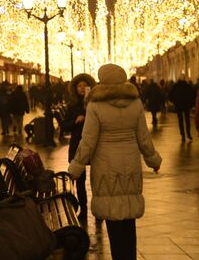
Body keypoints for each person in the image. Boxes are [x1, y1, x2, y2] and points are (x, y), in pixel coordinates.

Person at [68, 64, 161, 260]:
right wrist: (153, 160)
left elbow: (88, 141)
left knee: (113, 216)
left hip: (105, 167)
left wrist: (76, 166)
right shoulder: (135, 103)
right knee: (128, 216)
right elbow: (143, 137)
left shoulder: (95, 105)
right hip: (130, 165)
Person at [61, 73, 96, 223]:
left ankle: (98, 209)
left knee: (97, 180)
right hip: (77, 145)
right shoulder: (72, 105)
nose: (82, 89)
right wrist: (76, 121)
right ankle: (83, 209)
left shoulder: (94, 104)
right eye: (79, 86)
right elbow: (64, 126)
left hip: (94, 145)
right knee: (79, 180)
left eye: (85, 86)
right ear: (75, 88)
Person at [169, 74, 196, 141]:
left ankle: (183, 135)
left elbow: (170, 95)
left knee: (180, 120)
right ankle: (188, 134)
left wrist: (174, 102)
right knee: (187, 120)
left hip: (178, 106)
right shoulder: (187, 86)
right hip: (186, 106)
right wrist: (191, 104)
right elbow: (192, 95)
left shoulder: (175, 86)